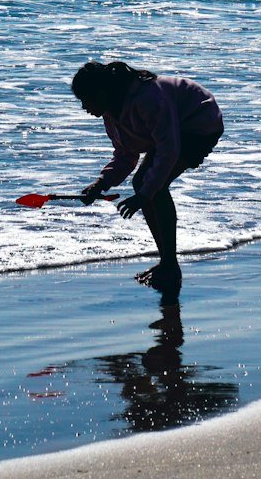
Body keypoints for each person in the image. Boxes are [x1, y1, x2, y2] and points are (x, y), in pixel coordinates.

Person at [71, 60, 223, 305]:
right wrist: (101, 183)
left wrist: (144, 196)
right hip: (175, 129)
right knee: (145, 183)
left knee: (151, 184)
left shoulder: (149, 98)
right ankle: (167, 263)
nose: (83, 107)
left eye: (84, 99)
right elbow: (125, 155)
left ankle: (170, 266)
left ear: (101, 92)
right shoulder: (112, 114)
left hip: (199, 121)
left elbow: (169, 150)